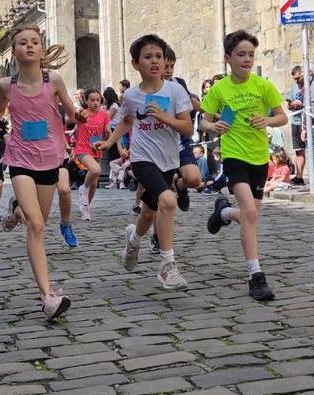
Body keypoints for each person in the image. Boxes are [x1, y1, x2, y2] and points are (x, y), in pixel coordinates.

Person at [0, 26, 82, 321]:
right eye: (23, 43)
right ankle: (47, 297)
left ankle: (15, 212)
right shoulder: (6, 85)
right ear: (14, 51)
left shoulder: (55, 80)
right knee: (36, 225)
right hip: (20, 159)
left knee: (36, 221)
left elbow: (71, 112)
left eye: (35, 42)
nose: (29, 46)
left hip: (50, 159)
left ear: (41, 49)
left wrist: (78, 116)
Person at [99, 35, 194, 290]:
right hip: (142, 158)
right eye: (148, 57)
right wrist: (109, 143)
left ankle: (133, 239)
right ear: (135, 63)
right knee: (168, 200)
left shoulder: (175, 90)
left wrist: (165, 118)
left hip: (168, 160)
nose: (155, 61)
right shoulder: (131, 95)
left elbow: (187, 127)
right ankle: (168, 266)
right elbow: (127, 121)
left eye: (159, 57)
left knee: (150, 212)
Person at [202, 30, 288, 301]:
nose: (247, 59)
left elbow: (282, 117)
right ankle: (255, 276)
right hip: (234, 156)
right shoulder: (219, 89)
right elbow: (203, 120)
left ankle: (225, 212)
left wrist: (267, 121)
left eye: (251, 54)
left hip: (259, 158)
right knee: (250, 212)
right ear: (228, 58)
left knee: (250, 216)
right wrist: (213, 126)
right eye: (241, 54)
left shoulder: (262, 86)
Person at [163, 47, 206, 209]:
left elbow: (191, 102)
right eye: (165, 66)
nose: (169, 70)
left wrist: (215, 115)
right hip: (160, 143)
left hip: (181, 140)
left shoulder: (179, 83)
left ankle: (179, 185)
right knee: (157, 198)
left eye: (172, 66)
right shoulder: (152, 87)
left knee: (195, 180)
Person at [74, 89, 110, 220]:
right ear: (86, 101)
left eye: (98, 100)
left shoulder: (104, 115)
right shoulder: (82, 113)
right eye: (92, 100)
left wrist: (108, 142)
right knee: (96, 169)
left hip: (97, 150)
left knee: (94, 184)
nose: (95, 103)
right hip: (82, 148)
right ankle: (83, 188)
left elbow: (108, 133)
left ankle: (86, 208)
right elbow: (74, 117)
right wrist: (78, 116)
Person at [286, 66, 308, 185]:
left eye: (298, 78)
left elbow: (312, 103)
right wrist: (291, 105)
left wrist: (301, 103)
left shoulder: (308, 85)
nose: (296, 80)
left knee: (307, 149)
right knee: (298, 150)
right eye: (294, 79)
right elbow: (288, 104)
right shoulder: (294, 87)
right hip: (295, 121)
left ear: (302, 74)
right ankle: (299, 176)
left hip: (305, 121)